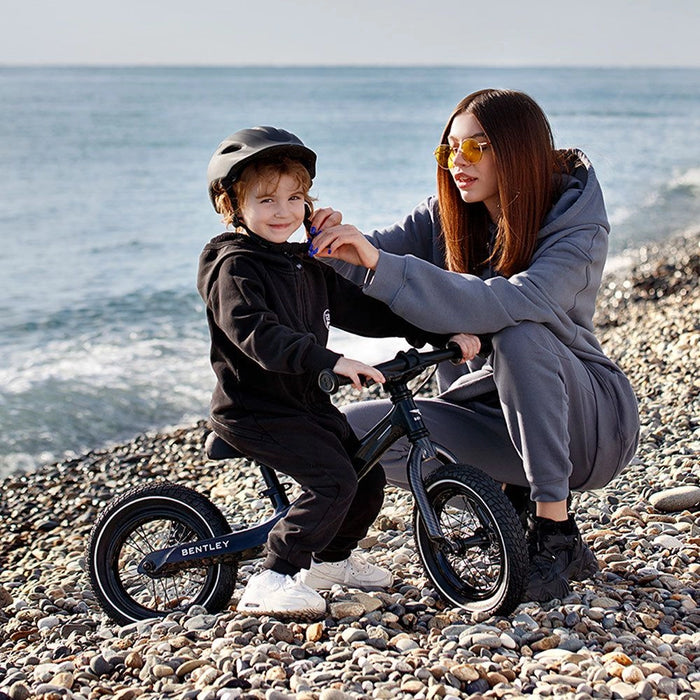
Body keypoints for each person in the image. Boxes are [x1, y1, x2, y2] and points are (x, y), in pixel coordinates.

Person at [308, 89, 640, 603]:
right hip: (490, 417)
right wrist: (307, 237)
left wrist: (377, 263)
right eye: (449, 149)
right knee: (354, 432)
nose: (458, 162)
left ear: (517, 151)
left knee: (520, 333)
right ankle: (506, 503)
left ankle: (556, 530)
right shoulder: (446, 216)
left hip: (589, 428)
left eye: (477, 148)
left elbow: (510, 302)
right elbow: (369, 259)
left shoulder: (578, 226)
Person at [198, 126, 454, 618]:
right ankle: (272, 576)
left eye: (295, 198)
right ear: (231, 204)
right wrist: (331, 361)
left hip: (303, 404)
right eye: (266, 199)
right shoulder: (231, 266)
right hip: (255, 409)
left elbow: (365, 312)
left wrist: (438, 334)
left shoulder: (304, 263)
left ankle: (331, 562)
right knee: (335, 480)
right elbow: (258, 334)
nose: (283, 211)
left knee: (366, 473)